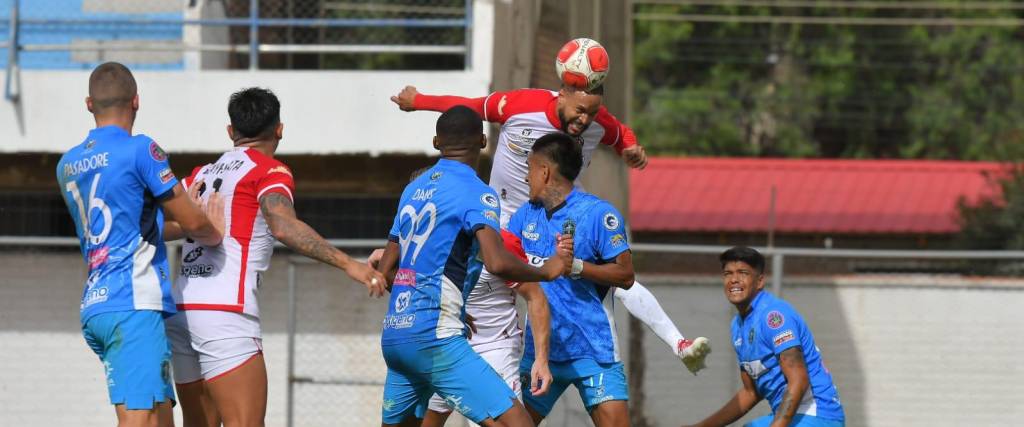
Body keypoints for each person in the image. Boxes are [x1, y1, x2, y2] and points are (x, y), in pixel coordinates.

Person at [390, 80, 710, 376]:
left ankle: (678, 343)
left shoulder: (598, 125)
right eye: (580, 110)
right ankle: (468, 345)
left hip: (561, 213)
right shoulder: (521, 104)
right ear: (564, 90)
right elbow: (470, 106)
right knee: (499, 287)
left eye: (593, 112)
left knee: (612, 277)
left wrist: (631, 147)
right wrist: (419, 101)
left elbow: (621, 133)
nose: (585, 119)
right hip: (505, 223)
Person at [164, 87, 386, 427]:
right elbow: (282, 225)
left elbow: (151, 224)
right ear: (279, 129)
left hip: (181, 310)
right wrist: (349, 264)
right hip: (226, 312)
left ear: (230, 132)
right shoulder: (269, 171)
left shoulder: (200, 175)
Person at [373, 106, 573, 427]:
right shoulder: (479, 192)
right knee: (517, 423)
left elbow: (385, 270)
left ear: (436, 141)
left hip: (397, 336)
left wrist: (445, 303)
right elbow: (496, 260)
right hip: (435, 339)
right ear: (483, 140)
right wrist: (547, 270)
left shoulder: (412, 190)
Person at [56, 61, 223, 427]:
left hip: (98, 304)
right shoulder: (141, 149)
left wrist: (179, 222)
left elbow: (135, 227)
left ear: (88, 104)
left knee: (162, 419)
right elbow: (195, 222)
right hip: (132, 304)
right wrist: (211, 226)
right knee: (142, 422)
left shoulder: (67, 164)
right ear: (136, 101)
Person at [502, 131, 640, 426]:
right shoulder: (524, 216)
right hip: (541, 351)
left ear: (545, 171)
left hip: (593, 349)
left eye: (529, 168)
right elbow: (498, 263)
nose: (526, 177)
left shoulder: (597, 214)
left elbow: (626, 276)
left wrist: (575, 267)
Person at [684, 247, 845, 427]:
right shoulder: (737, 326)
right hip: (794, 416)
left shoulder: (773, 316)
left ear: (759, 281)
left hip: (817, 415)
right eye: (728, 274)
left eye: (743, 273)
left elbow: (798, 379)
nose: (734, 279)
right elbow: (750, 392)